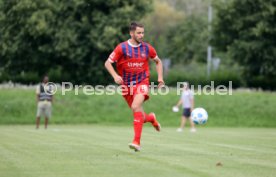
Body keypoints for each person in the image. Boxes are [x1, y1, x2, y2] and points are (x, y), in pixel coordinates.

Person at [104, 22, 165, 151]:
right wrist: (115, 76)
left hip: (142, 82)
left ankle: (136, 142)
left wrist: (160, 78)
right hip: (126, 86)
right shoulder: (122, 48)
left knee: (135, 106)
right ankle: (151, 118)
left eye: (143, 32)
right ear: (131, 33)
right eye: (139, 33)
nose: (141, 35)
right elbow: (108, 63)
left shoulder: (147, 48)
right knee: (139, 116)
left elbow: (158, 61)